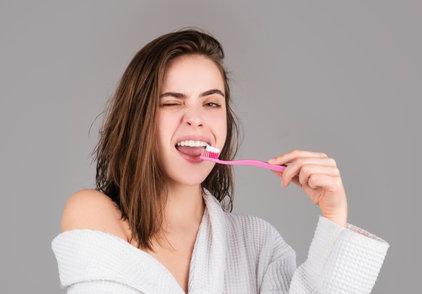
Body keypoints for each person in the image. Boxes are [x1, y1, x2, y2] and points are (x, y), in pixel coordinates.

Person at [51, 28, 390, 294]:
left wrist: (334, 216)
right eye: (171, 102)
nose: (195, 119)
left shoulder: (257, 243)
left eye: (211, 104)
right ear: (138, 118)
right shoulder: (92, 214)